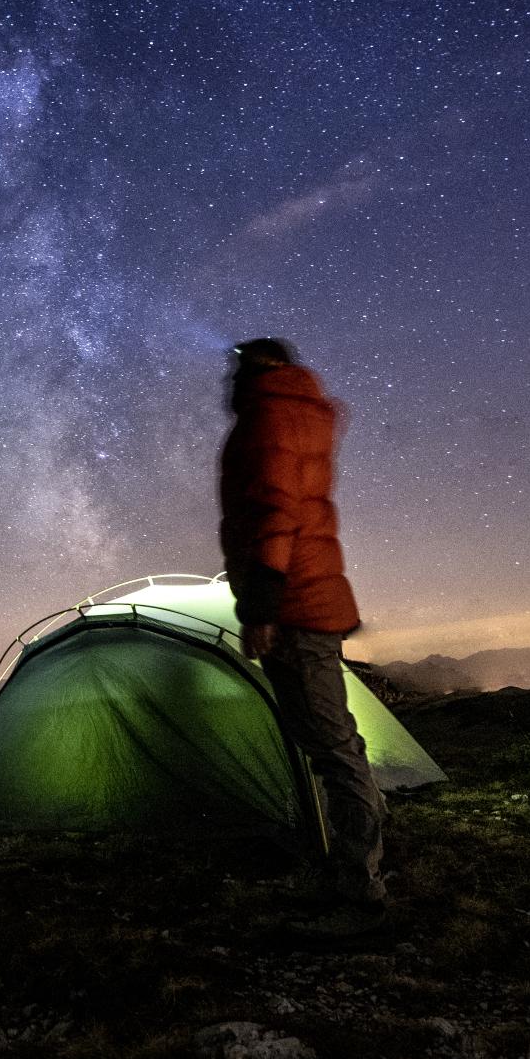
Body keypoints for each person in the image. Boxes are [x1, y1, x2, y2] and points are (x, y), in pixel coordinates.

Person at [219, 337, 388, 910]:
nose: (231, 377)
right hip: (305, 600)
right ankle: (355, 856)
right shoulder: (295, 412)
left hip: (295, 606)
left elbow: (276, 510)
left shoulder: (272, 415)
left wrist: (263, 605)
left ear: (258, 370)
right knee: (329, 741)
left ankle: (358, 892)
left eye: (238, 367)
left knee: (332, 747)